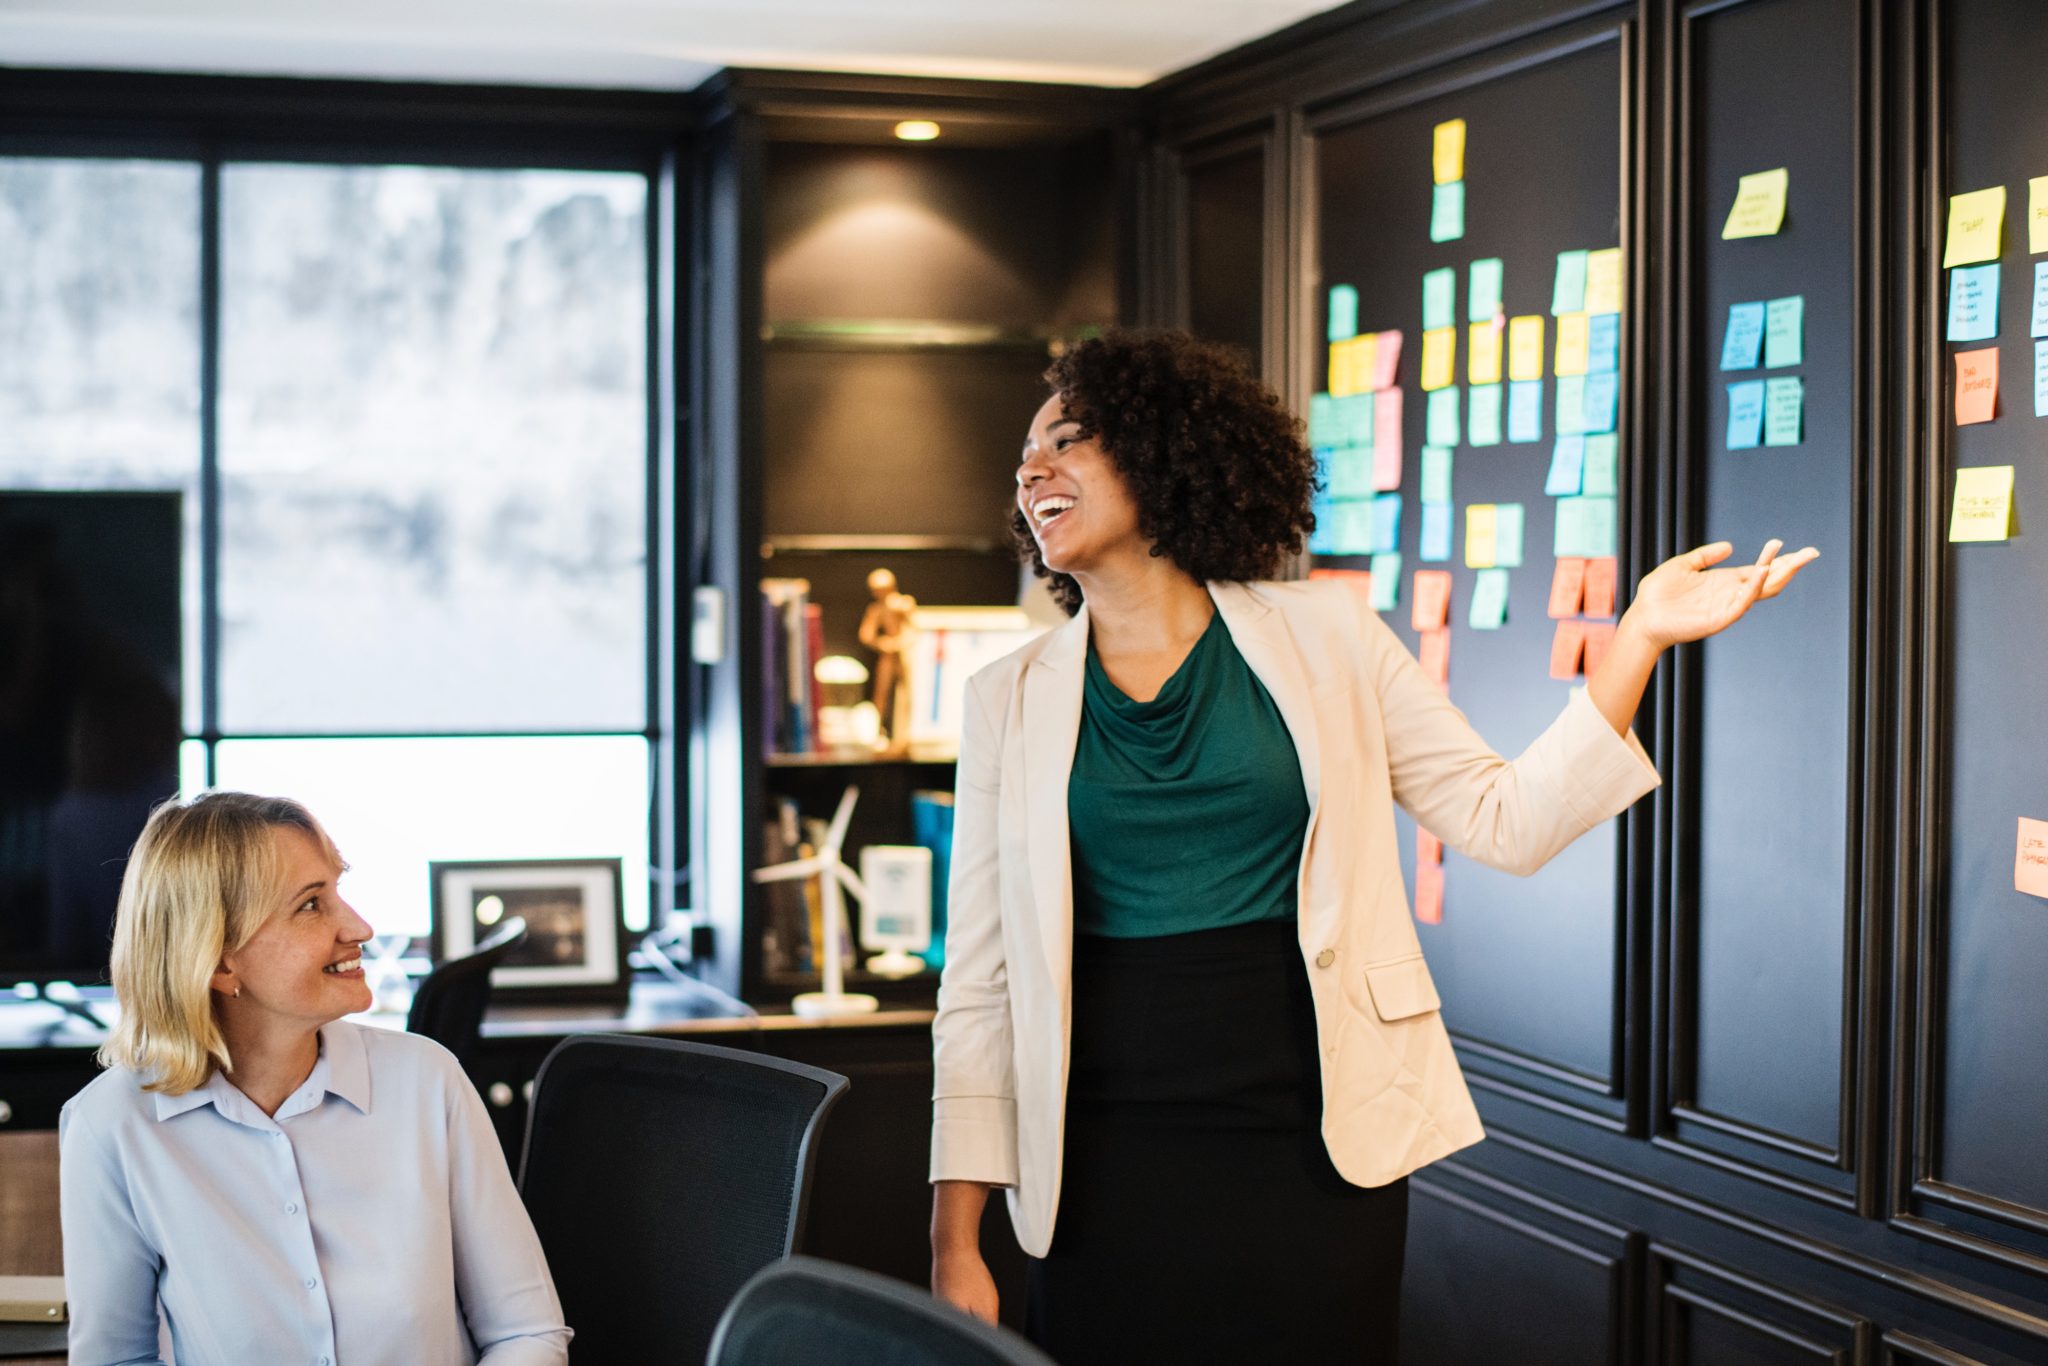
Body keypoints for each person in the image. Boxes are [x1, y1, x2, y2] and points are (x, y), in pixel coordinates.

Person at [927, 330, 1817, 1364]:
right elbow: (980, 985)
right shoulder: (1007, 698)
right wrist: (955, 1236)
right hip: (1097, 1153)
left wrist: (1637, 640)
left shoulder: (1327, 638)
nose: (1033, 466)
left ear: (1165, 453)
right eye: (1025, 454)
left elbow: (1506, 817)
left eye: (1068, 438)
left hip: (1308, 1135)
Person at [59, 791, 571, 1366]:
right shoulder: (111, 1126)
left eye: (338, 890)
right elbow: (116, 1360)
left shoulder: (428, 1083)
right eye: (310, 905)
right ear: (220, 959)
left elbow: (526, 1333)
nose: (360, 927)